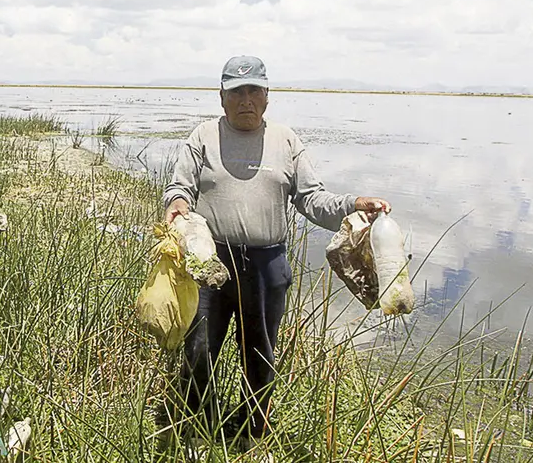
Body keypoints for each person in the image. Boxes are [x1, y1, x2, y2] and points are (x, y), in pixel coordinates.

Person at [162, 55, 391, 449]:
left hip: (268, 265)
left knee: (260, 353)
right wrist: (178, 204)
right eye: (236, 91)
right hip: (208, 262)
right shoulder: (202, 135)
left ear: (268, 96)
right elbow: (179, 187)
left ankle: (251, 432)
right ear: (222, 98)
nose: (245, 99)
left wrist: (353, 205)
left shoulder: (286, 140)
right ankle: (198, 427)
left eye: (254, 90)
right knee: (198, 348)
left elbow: (312, 199)